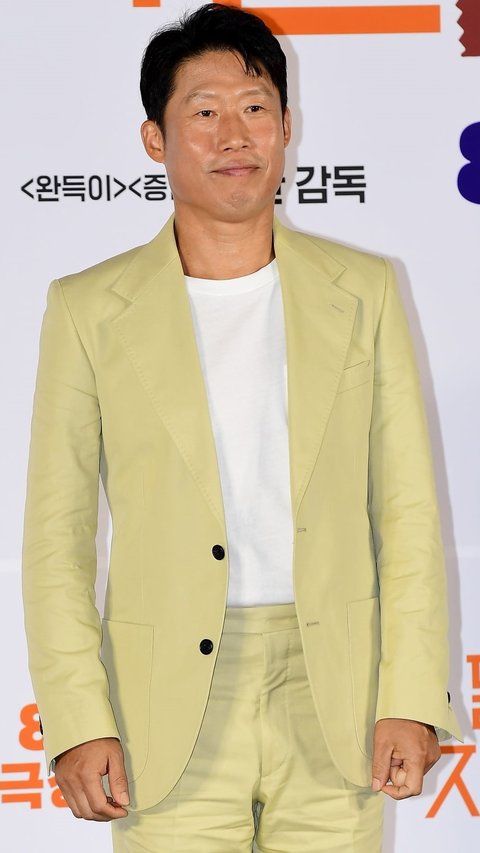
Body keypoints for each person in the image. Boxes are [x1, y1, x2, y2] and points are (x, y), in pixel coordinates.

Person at [22, 4, 461, 851]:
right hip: (164, 705)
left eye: (256, 107)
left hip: (334, 691)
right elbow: (56, 536)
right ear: (155, 139)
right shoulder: (88, 309)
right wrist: (77, 717)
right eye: (205, 111)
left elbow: (408, 512)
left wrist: (410, 694)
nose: (235, 134)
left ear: (287, 127)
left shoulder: (364, 290)